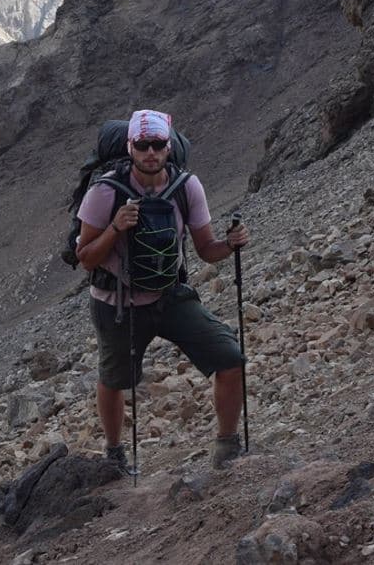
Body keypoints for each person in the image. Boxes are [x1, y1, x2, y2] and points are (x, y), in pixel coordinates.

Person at [74, 109, 250, 469]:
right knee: (114, 378)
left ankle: (227, 448)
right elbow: (86, 258)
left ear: (168, 147)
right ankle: (114, 454)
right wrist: (115, 228)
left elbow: (205, 249)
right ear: (131, 147)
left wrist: (230, 245)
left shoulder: (187, 187)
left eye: (158, 144)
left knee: (230, 358)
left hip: (169, 296)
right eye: (143, 145)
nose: (150, 152)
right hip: (117, 302)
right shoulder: (104, 192)